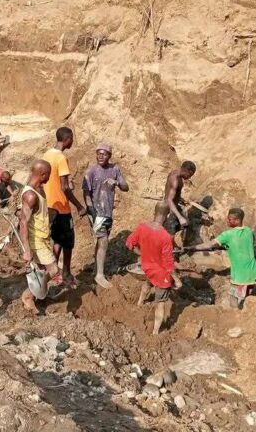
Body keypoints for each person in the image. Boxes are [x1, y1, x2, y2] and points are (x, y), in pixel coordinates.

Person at [126, 202, 182, 335]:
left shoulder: (141, 228)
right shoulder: (166, 237)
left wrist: (142, 254)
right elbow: (169, 264)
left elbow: (129, 244)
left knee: (147, 282)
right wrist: (177, 279)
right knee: (161, 303)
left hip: (146, 267)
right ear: (167, 216)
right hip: (161, 274)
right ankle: (156, 332)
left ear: (154, 212)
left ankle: (140, 304)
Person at [42, 127, 87, 288]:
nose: (73, 142)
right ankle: (66, 275)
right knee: (68, 243)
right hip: (61, 208)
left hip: (49, 207)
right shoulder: (61, 158)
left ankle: (54, 273)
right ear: (67, 139)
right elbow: (65, 188)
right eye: (72, 139)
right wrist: (79, 206)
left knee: (57, 240)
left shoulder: (47, 155)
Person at [82, 142, 129, 289]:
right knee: (103, 241)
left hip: (107, 212)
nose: (100, 156)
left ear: (109, 156)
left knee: (102, 240)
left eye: (104, 154)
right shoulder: (91, 171)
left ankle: (97, 270)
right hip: (97, 212)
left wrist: (116, 182)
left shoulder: (115, 169)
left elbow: (126, 187)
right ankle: (99, 275)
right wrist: (93, 213)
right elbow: (86, 194)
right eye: (98, 153)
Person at [19, 160, 61, 315]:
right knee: (54, 269)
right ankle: (28, 295)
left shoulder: (39, 189)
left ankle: (37, 295)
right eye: (48, 175)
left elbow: (38, 212)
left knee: (42, 270)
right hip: (35, 239)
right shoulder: (30, 195)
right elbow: (23, 222)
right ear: (42, 174)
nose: (49, 178)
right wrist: (26, 250)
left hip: (43, 237)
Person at [195, 207, 256, 309]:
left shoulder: (228, 235)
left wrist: (192, 248)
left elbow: (210, 245)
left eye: (230, 219)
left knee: (234, 301)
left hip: (241, 278)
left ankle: (236, 319)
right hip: (253, 274)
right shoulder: (248, 231)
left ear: (237, 220)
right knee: (248, 301)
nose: (227, 220)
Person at [163, 161, 197, 238]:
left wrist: (180, 198)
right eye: (190, 175)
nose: (190, 177)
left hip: (173, 207)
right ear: (186, 171)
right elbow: (169, 200)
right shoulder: (175, 180)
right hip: (170, 209)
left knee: (186, 223)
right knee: (169, 234)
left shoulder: (176, 173)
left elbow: (172, 192)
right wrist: (180, 217)